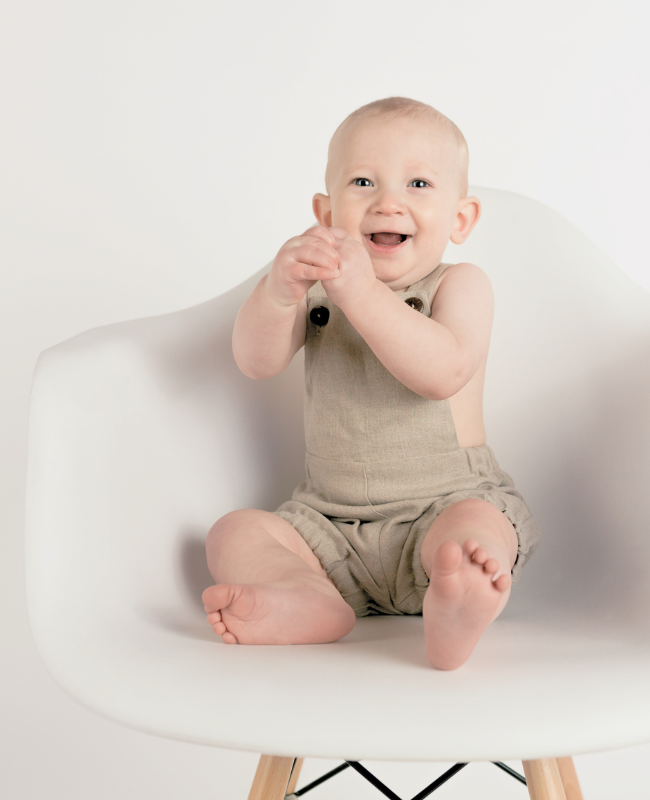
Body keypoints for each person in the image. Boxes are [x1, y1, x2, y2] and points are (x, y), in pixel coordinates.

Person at [201, 98, 539, 670]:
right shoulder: (316, 290)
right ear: (326, 213)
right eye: (364, 181)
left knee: (480, 531)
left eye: (418, 183)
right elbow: (255, 362)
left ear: (460, 219)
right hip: (329, 527)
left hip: (441, 507)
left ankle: (457, 601)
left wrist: (360, 292)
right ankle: (309, 599)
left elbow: (442, 373)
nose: (389, 201)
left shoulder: (459, 286)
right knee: (232, 533)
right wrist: (277, 293)